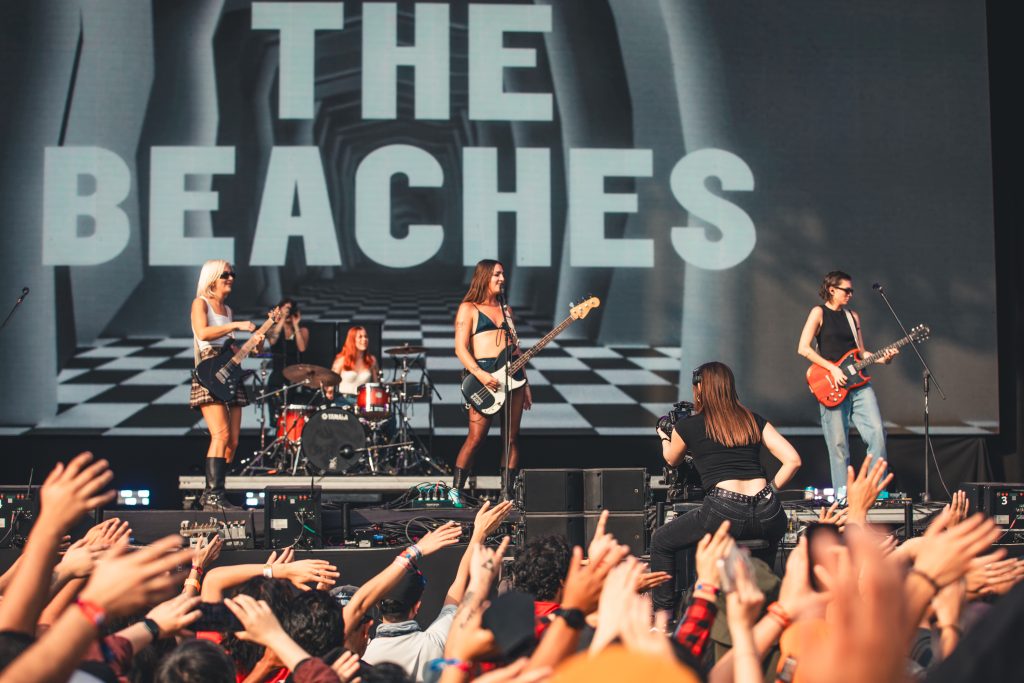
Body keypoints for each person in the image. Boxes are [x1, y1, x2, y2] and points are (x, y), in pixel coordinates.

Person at [651, 361, 802, 615]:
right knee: (762, 562)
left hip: (724, 510)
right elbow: (793, 460)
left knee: (661, 540)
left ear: (700, 389)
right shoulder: (753, 420)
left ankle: (663, 618)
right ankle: (763, 612)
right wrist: (770, 492)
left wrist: (664, 436)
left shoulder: (687, 426)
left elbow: (671, 459)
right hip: (768, 510)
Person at [797, 270, 897, 494]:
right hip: (831, 384)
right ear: (832, 290)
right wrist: (832, 368)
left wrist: (883, 358)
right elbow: (803, 348)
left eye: (852, 291)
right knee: (838, 444)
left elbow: (860, 353)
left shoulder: (853, 317)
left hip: (859, 385)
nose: (850, 294)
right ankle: (842, 493)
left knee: (877, 433)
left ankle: (876, 489)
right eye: (846, 290)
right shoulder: (818, 312)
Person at [452, 260, 532, 498]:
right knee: (476, 438)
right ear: (484, 277)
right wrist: (480, 374)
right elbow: (460, 349)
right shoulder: (469, 308)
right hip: (483, 377)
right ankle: (455, 492)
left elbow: (515, 350)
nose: (502, 279)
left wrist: (526, 383)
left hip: (513, 378)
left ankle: (507, 495)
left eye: (503, 274)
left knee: (511, 438)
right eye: (497, 274)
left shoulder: (507, 311)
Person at [189, 260, 264, 511]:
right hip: (210, 373)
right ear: (212, 278)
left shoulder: (227, 310)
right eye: (225, 275)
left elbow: (232, 351)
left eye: (233, 274)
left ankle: (213, 491)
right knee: (219, 434)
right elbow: (203, 333)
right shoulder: (201, 303)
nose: (230, 278)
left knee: (232, 442)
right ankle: (213, 496)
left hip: (230, 372)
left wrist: (254, 344)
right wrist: (237, 325)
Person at [265, 298, 310, 414]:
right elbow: (272, 341)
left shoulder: (302, 330)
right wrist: (281, 319)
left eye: (290, 309)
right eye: (286, 309)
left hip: (295, 376)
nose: (288, 312)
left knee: (292, 412)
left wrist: (295, 325)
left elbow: (302, 348)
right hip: (277, 374)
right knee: (276, 412)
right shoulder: (273, 328)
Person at [330, 326, 381, 407]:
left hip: (364, 401)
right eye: (360, 337)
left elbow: (377, 384)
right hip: (343, 400)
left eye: (366, 337)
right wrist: (329, 390)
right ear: (352, 340)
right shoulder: (342, 360)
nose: (364, 339)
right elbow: (329, 380)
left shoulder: (372, 360)